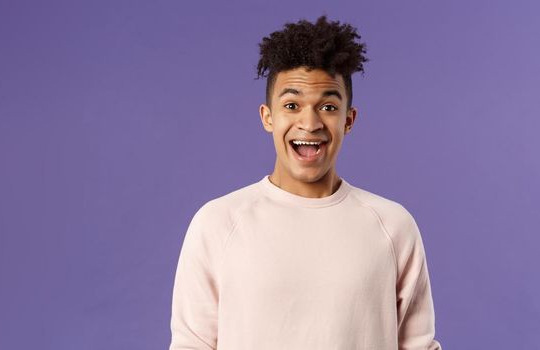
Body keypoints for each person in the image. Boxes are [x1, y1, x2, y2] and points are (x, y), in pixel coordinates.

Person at [168, 15, 442, 349]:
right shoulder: (217, 223)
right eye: (292, 105)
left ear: (349, 120)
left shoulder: (394, 226)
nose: (309, 123)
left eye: (328, 106)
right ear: (268, 117)